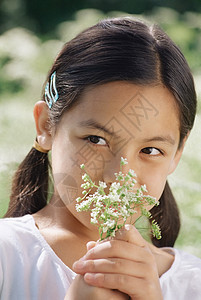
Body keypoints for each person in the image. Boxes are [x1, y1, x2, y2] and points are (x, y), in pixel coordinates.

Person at [1, 16, 201, 299]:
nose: (118, 177)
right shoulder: (8, 257)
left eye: (150, 151)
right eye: (96, 140)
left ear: (177, 153)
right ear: (46, 126)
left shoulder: (192, 283)